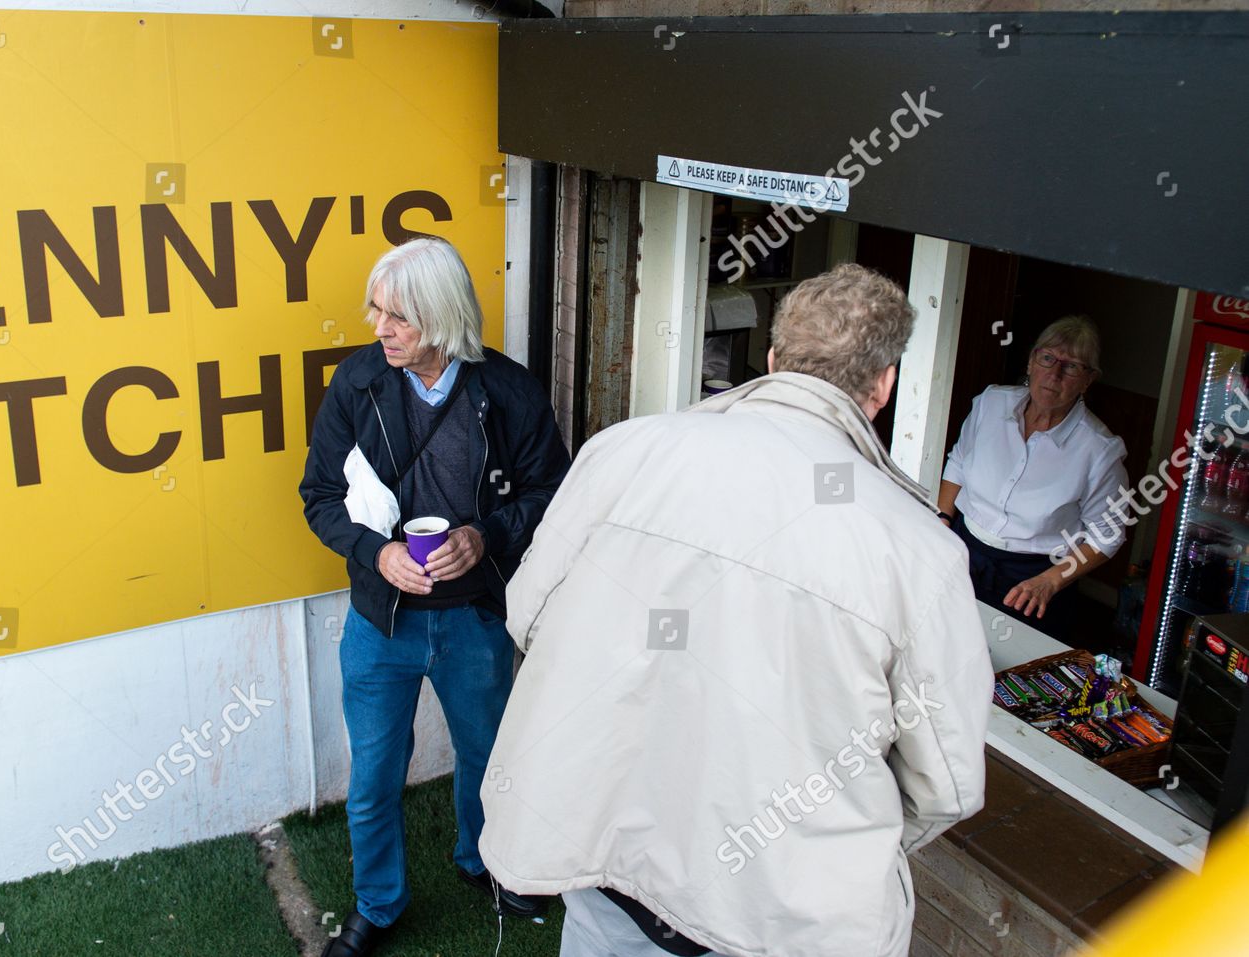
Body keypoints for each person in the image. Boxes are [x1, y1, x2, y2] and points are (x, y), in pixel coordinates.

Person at [477, 263, 992, 957]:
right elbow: (947, 781)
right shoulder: (919, 548)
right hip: (779, 922)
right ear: (882, 385)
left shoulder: (624, 451)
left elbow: (525, 614)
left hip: (609, 880)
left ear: (775, 360)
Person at [299, 237, 570, 957]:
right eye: (377, 311)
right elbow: (319, 496)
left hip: (474, 618)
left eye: (399, 318)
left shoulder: (508, 391)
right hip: (378, 624)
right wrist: (377, 551)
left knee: (488, 757)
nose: (380, 328)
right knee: (374, 775)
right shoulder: (356, 384)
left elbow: (554, 492)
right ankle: (377, 904)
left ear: (444, 319)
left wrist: (485, 537)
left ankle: (485, 861)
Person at [938, 316, 1128, 640]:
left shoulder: (1099, 450)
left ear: (1088, 380)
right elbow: (958, 462)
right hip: (963, 550)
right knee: (945, 647)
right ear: (1031, 361)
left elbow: (1106, 536)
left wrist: (1051, 580)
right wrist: (940, 523)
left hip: (1033, 578)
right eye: (1048, 358)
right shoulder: (990, 403)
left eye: (1071, 367)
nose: (1054, 374)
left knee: (1013, 676)